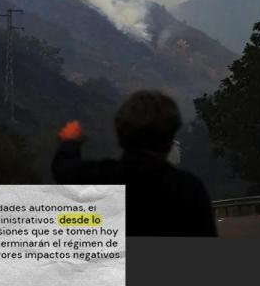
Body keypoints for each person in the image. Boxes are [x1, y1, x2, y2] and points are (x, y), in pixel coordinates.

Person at [52, 90, 217, 237]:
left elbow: (64, 170)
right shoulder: (189, 189)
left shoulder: (104, 179)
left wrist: (70, 141)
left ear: (121, 133)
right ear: (170, 137)